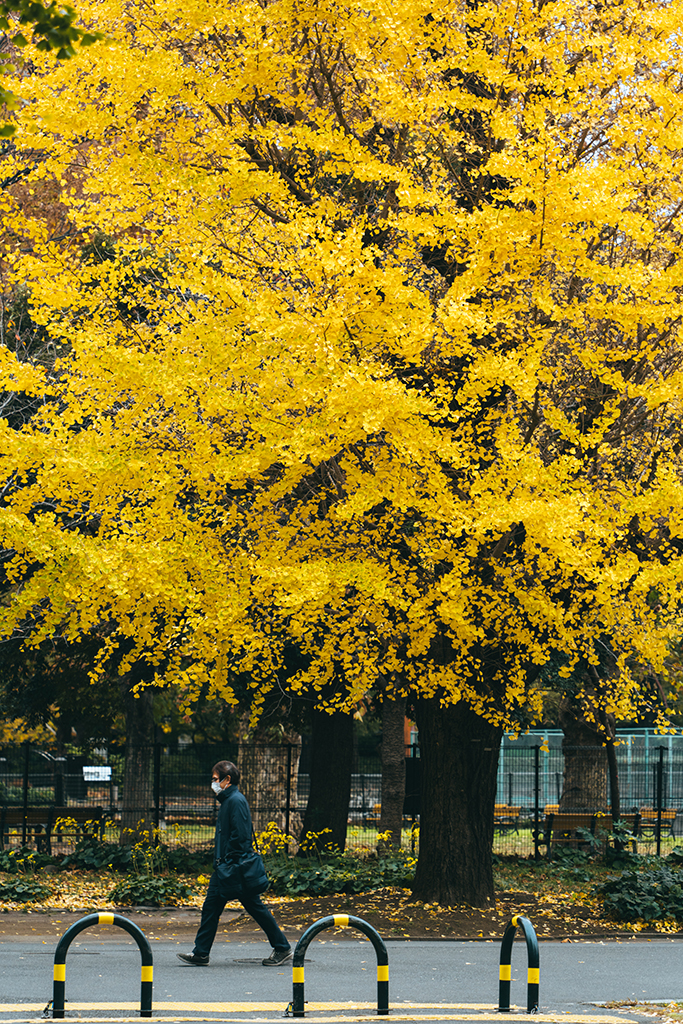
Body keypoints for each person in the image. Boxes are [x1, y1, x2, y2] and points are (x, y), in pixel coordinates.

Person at [177, 759, 292, 966]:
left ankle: (282, 947)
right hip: (230, 868)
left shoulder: (235, 801)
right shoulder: (230, 800)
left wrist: (226, 863)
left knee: (251, 907)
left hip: (234, 869)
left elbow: (240, 838)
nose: (212, 784)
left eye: (215, 780)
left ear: (227, 780)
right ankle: (201, 952)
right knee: (214, 907)